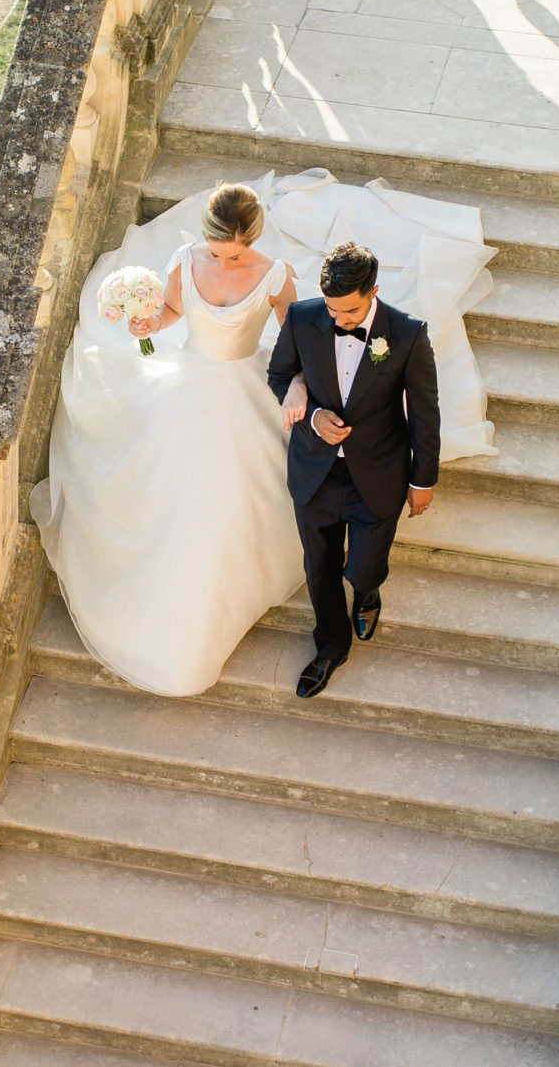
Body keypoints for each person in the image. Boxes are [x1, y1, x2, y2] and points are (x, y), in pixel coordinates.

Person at [31, 168, 497, 699]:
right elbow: (173, 311)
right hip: (186, 389)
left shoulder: (278, 278)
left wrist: (299, 385)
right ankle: (290, 633)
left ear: (251, 241)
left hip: (246, 394)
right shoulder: (185, 263)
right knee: (180, 495)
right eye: (216, 252)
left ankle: (358, 590)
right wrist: (149, 324)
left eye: (234, 254)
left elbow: (294, 345)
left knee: (274, 517)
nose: (224, 263)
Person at [267, 241, 438, 698]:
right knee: (319, 567)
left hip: (378, 475)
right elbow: (279, 374)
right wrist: (309, 407)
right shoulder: (303, 318)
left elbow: (424, 413)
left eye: (349, 311)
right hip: (314, 472)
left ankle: (367, 591)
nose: (338, 320)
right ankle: (330, 647)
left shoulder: (407, 334)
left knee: (362, 568)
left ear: (374, 291)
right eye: (332, 309)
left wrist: (423, 479)